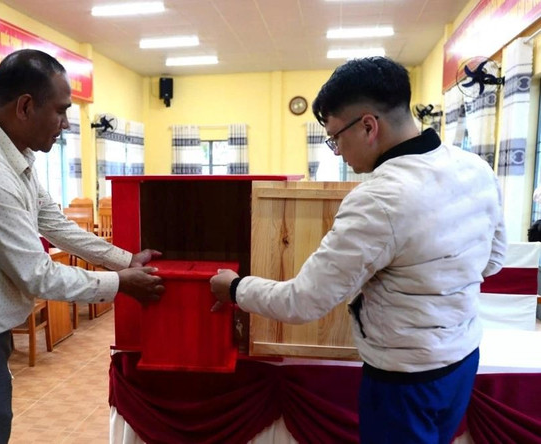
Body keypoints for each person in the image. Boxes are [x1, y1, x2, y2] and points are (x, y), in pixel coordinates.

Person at [210, 57, 506, 444]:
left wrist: (235, 288)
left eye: (335, 137)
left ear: (368, 126)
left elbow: (304, 301)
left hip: (404, 379)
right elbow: (493, 260)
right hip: (463, 357)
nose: (336, 152)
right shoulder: (475, 167)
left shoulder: (378, 199)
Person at [0, 48, 164, 444]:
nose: (66, 124)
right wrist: (121, 283)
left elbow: (52, 222)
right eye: (61, 111)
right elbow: (37, 275)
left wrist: (124, 260)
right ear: (25, 107)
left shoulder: (14, 153)